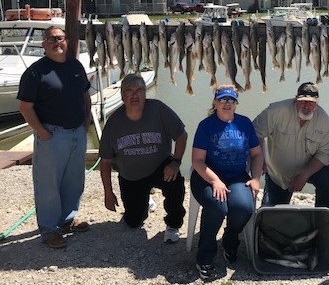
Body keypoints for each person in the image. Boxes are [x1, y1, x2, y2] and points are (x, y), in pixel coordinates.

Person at [17, 26, 92, 249]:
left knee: (74, 180)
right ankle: (49, 230)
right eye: (51, 39)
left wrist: (86, 122)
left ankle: (67, 220)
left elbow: (85, 94)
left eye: (60, 38)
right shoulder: (35, 72)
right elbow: (24, 106)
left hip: (77, 132)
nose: (56, 42)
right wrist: (41, 132)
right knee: (48, 185)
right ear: (44, 45)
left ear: (66, 41)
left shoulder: (75, 66)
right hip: (52, 135)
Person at [99, 74, 187, 243]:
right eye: (129, 91)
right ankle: (145, 200)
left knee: (175, 183)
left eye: (139, 90)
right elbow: (105, 161)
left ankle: (173, 224)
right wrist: (108, 193)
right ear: (122, 95)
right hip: (131, 176)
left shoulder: (158, 109)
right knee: (133, 222)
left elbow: (181, 135)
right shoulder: (113, 122)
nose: (134, 95)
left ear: (145, 93)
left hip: (160, 166)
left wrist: (176, 162)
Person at [191, 85, 263, 280]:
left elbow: (257, 154)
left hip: (237, 176)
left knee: (244, 207)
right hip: (206, 176)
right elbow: (197, 160)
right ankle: (204, 256)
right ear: (215, 103)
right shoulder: (206, 126)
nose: (227, 104)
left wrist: (255, 178)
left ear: (236, 104)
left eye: (231, 100)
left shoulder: (245, 123)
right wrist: (215, 181)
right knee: (217, 206)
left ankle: (230, 241)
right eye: (222, 100)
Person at [252, 82, 329, 210]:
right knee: (272, 215)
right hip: (278, 173)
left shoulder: (324, 120)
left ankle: (322, 222)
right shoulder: (276, 111)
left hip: (309, 167)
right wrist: (261, 157)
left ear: (317, 103)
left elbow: (325, 152)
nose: (306, 106)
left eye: (311, 102)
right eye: (303, 101)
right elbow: (255, 132)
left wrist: (305, 175)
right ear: (295, 99)